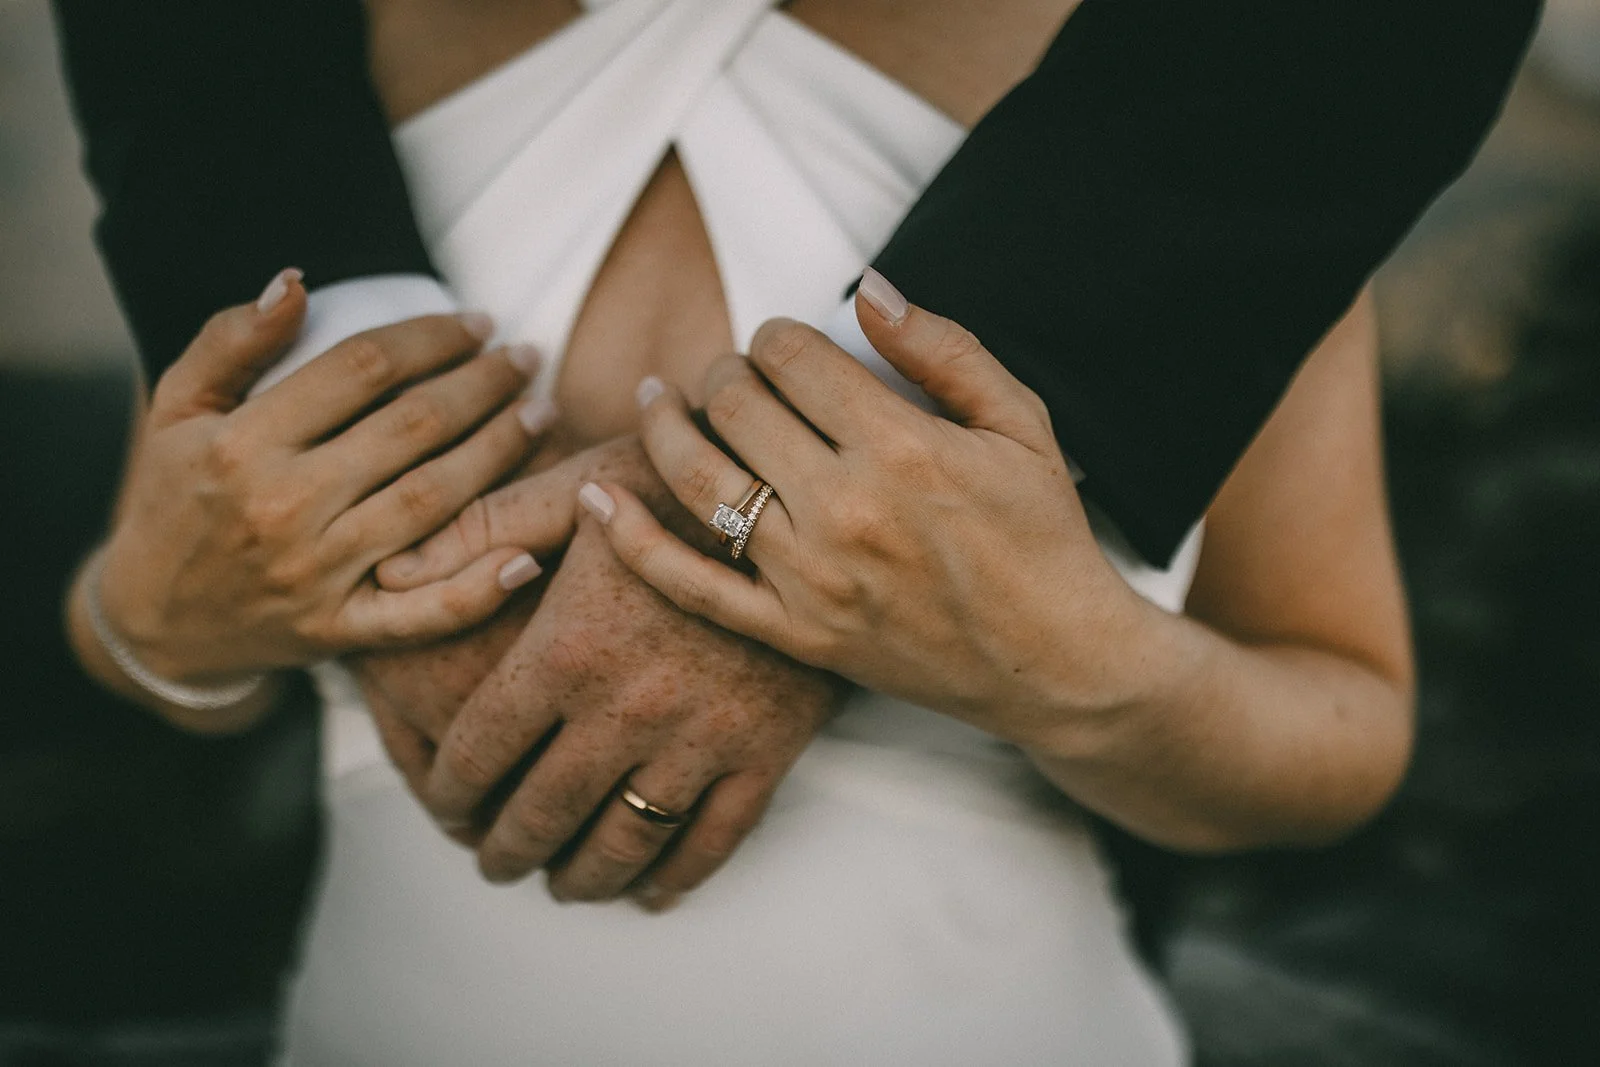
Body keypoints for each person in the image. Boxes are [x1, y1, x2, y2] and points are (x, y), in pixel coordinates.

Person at [55, 3, 1425, 1062]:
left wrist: (1068, 661)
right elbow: (158, 595)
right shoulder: (274, 95)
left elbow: (1343, 717)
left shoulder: (1197, 106)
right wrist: (165, 627)